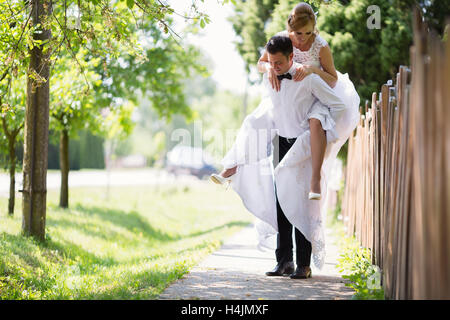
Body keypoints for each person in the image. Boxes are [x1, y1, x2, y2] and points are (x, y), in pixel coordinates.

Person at [211, 2, 355, 201]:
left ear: (313, 29)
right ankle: (231, 167)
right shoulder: (281, 40)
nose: (301, 38)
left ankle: (315, 181)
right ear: (289, 29)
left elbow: (333, 79)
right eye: (297, 33)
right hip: (288, 94)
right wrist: (269, 69)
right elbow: (261, 63)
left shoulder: (320, 46)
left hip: (316, 95)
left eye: (307, 33)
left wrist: (312, 69)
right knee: (256, 120)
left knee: (316, 121)